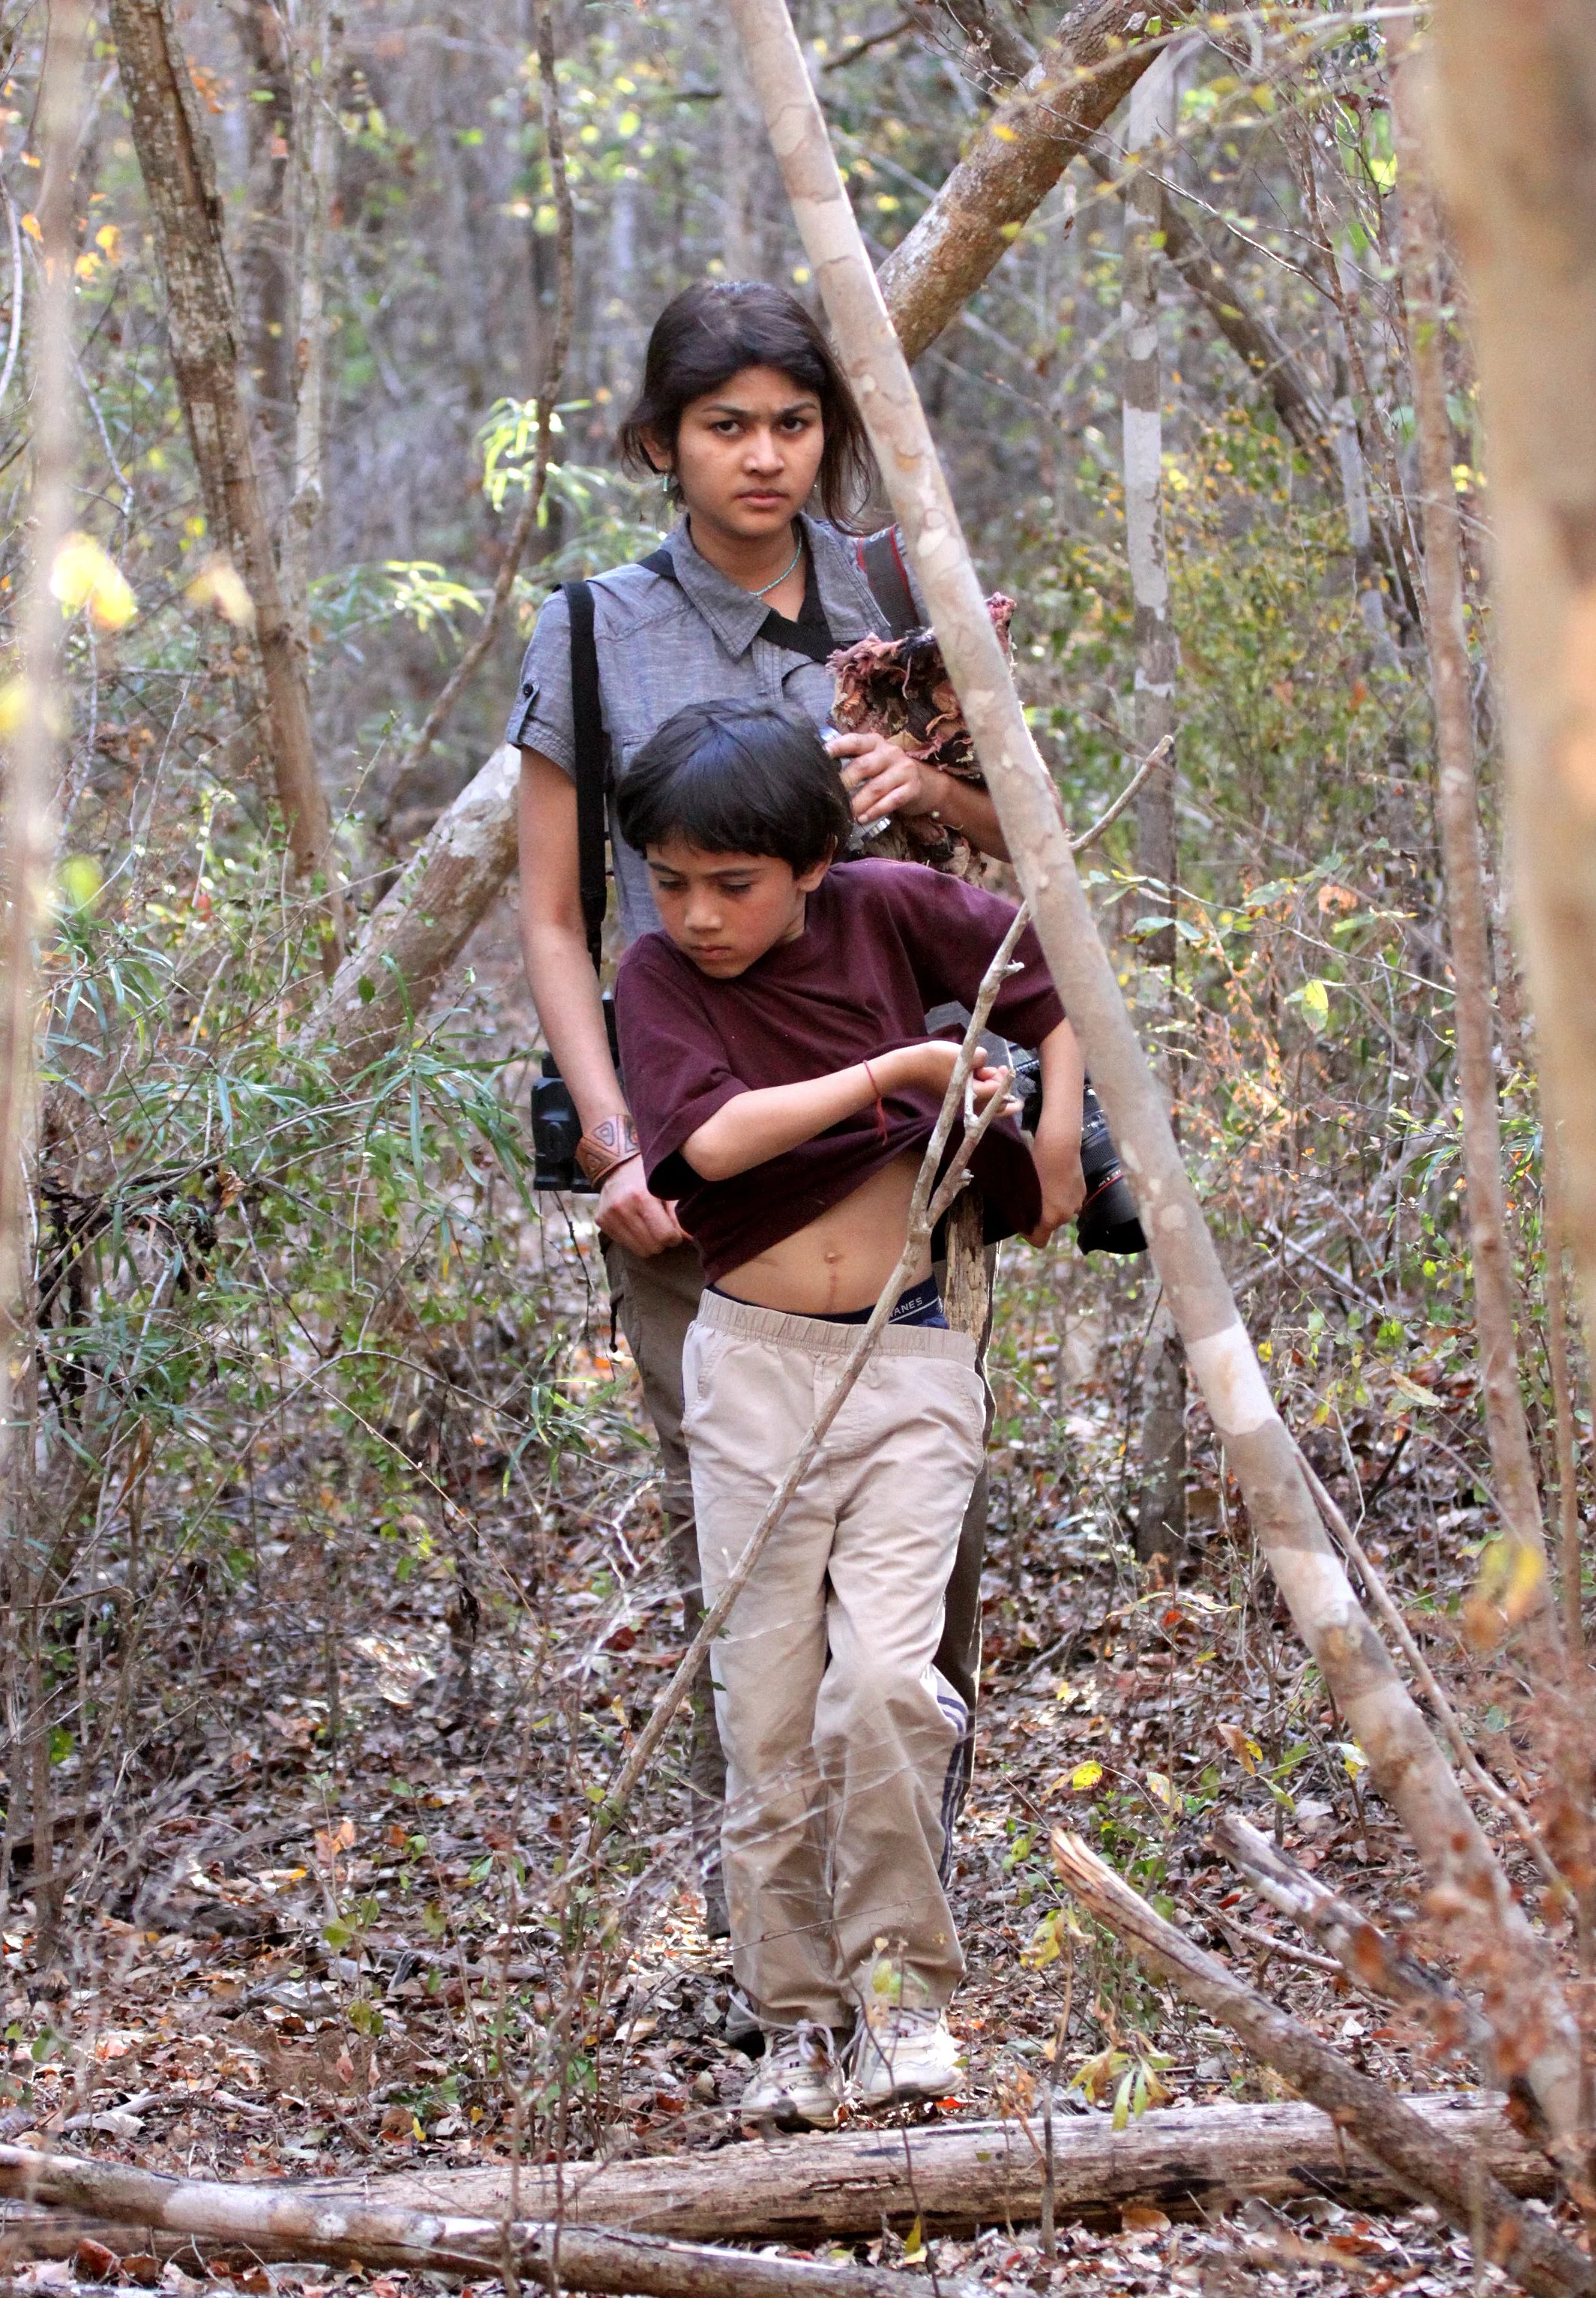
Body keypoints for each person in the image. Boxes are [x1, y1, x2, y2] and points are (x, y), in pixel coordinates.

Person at [512, 281, 1011, 1929]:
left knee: (924, 1564)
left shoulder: (893, 593)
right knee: (746, 1572)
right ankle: (772, 1945)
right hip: (700, 1157)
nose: (764, 456)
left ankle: (904, 1948)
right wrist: (612, 1143)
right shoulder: (595, 628)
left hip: (912, 1164)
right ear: (664, 440)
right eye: (726, 424)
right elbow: (559, 917)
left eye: (793, 422)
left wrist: (923, 788)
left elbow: (1029, 866)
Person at [612, 700, 1086, 2126]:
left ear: (813, 863)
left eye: (733, 884)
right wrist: (892, 1071)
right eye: (672, 880)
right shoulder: (655, 976)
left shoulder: (885, 909)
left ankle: (901, 1994)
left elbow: (1053, 963)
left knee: (886, 1679)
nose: (698, 914)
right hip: (750, 1363)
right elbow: (707, 1140)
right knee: (765, 1708)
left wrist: (1054, 1131)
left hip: (911, 1353)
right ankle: (796, 2019)